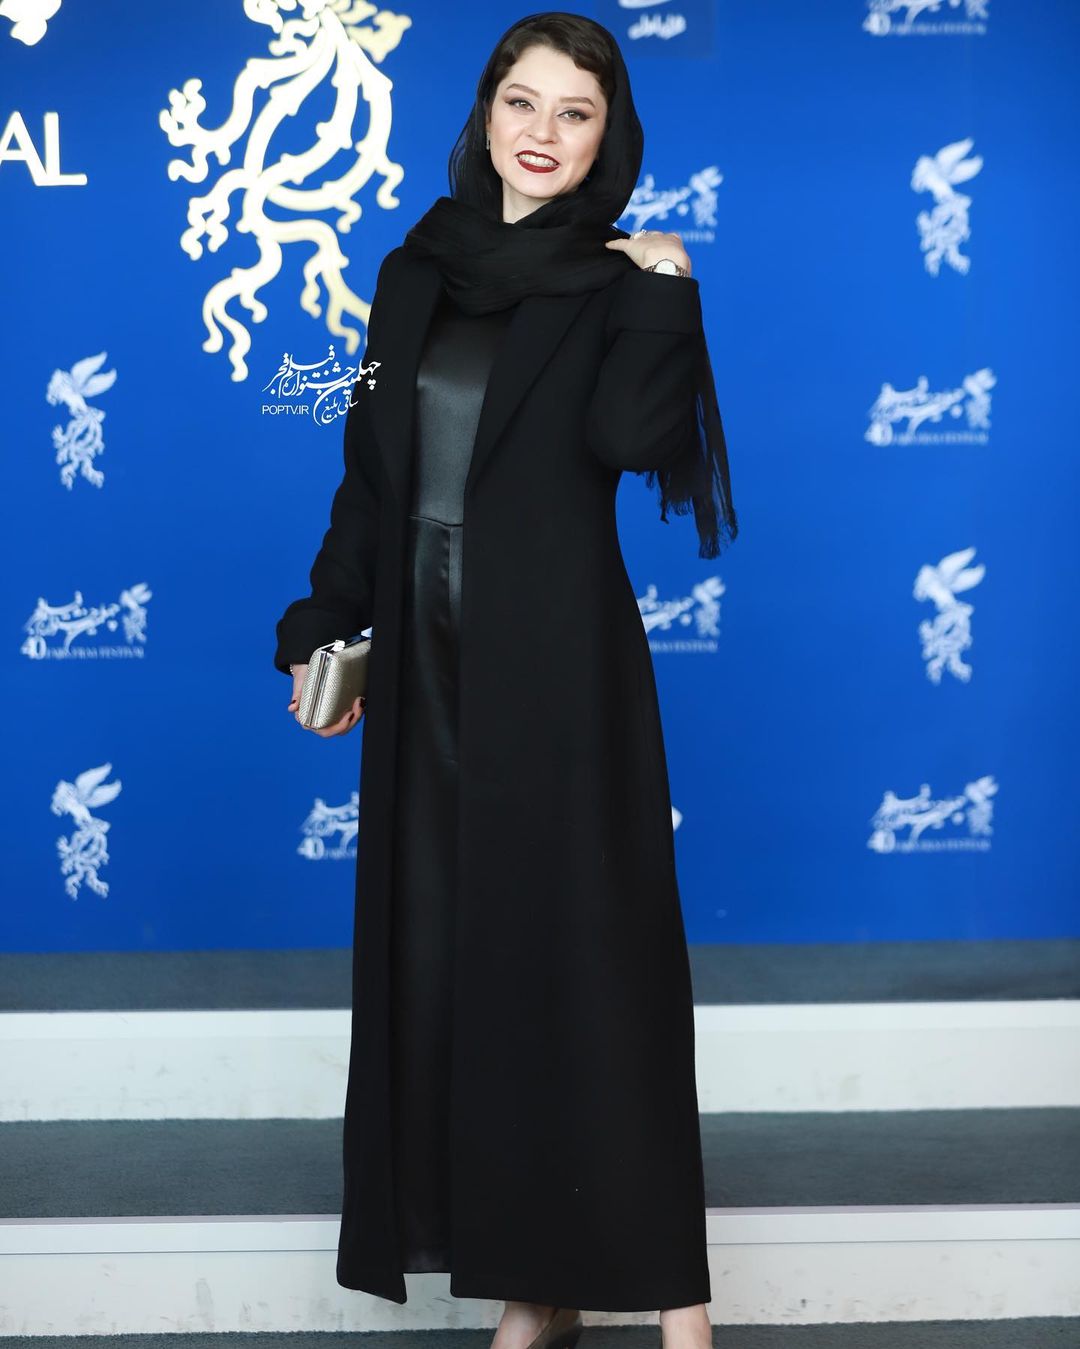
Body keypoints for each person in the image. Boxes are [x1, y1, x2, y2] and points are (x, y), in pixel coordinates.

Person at [274, 13, 737, 1349]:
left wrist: (665, 285)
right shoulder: (414, 270)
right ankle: (537, 1292)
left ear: (607, 140)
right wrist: (325, 620)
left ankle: (683, 1305)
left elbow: (633, 441)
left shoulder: (616, 280)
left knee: (596, 973)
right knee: (460, 970)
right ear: (485, 115)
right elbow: (372, 477)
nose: (542, 133)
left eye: (574, 113)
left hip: (558, 670)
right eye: (521, 103)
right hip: (421, 666)